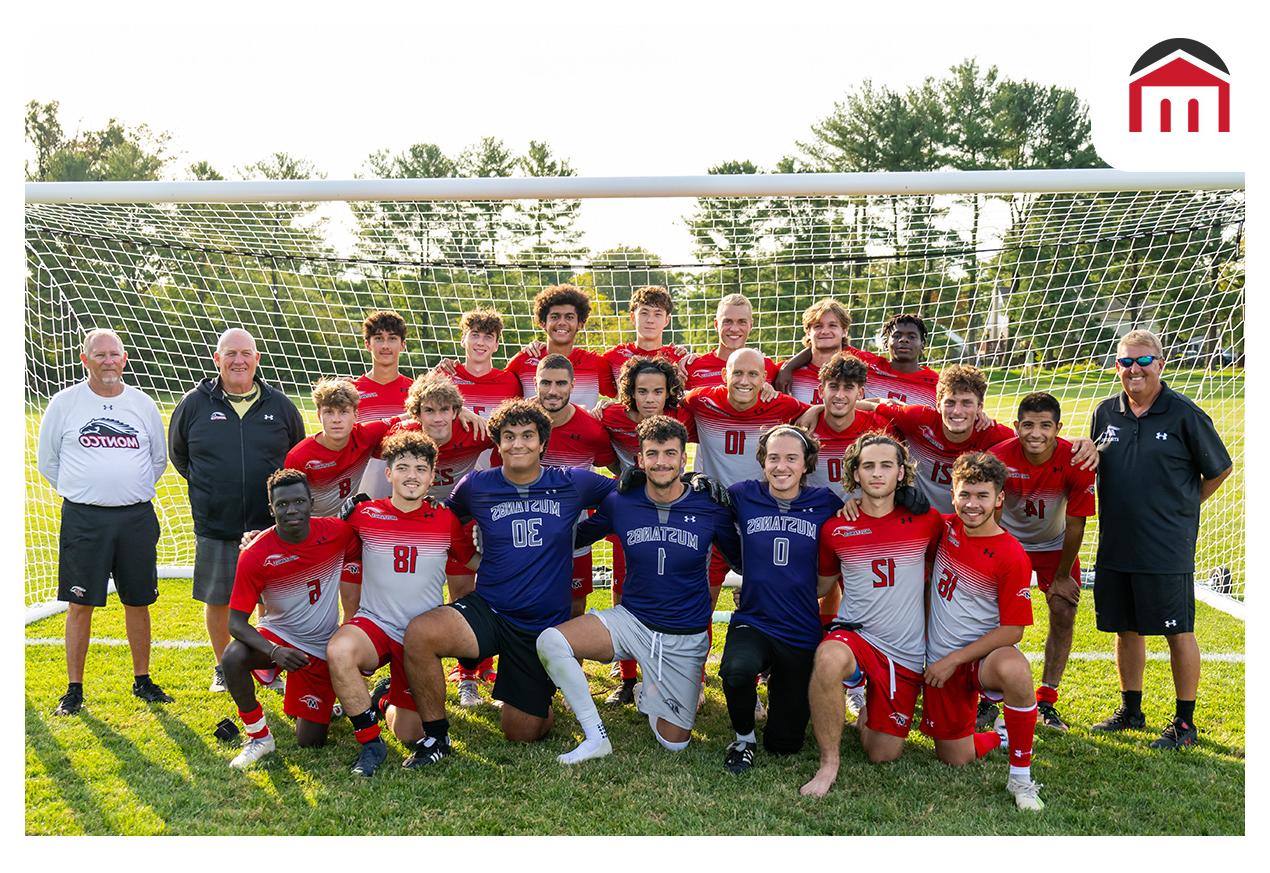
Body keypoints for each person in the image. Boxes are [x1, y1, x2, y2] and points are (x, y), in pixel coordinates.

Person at [399, 399, 616, 766]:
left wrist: (581, 534)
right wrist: (469, 558)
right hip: (491, 609)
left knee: (522, 732)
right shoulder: (477, 485)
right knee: (421, 633)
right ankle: (436, 738)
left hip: (541, 625)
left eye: (528, 436)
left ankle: (538, 689)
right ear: (497, 444)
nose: (518, 444)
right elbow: (446, 520)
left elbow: (621, 497)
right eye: (509, 436)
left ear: (543, 443)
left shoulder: (571, 482)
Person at [536, 415, 741, 763]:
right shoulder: (622, 501)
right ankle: (595, 736)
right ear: (640, 459)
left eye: (670, 453)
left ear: (683, 458)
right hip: (632, 621)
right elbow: (576, 537)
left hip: (683, 635)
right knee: (551, 642)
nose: (661, 461)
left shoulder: (709, 505)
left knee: (673, 743)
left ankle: (653, 689)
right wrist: (520, 529)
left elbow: (740, 559)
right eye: (653, 453)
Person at [1088, 330, 1232, 750]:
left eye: (1144, 361)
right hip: (1116, 543)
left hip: (1166, 546)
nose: (1134, 369)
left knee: (1177, 631)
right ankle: (1131, 709)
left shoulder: (1184, 413)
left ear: (1160, 364)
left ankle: (1184, 723)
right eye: (1126, 362)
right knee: (1125, 629)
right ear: (1117, 367)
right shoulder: (1105, 413)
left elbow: (1219, 470)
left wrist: (1183, 506)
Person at [37, 328, 173, 716]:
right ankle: (74, 688)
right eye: (100, 355)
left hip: (135, 517)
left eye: (114, 354)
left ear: (125, 358)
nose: (108, 361)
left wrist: (125, 488)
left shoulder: (142, 404)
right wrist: (87, 490)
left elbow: (157, 459)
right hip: (84, 519)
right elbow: (49, 461)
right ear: (85, 360)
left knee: (139, 600)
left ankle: (142, 679)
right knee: (80, 604)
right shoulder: (64, 404)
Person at [327, 430, 478, 776]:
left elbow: (473, 563)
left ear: (431, 475)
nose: (412, 475)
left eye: (421, 468)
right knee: (339, 651)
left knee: (410, 733)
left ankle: (383, 699)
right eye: (404, 467)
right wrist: (258, 537)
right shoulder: (364, 515)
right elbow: (320, 538)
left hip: (418, 639)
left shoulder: (445, 519)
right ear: (389, 473)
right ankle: (370, 744)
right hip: (374, 624)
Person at [801, 434, 941, 795]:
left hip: (904, 650)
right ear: (855, 474)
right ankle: (828, 762)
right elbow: (821, 586)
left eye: (886, 465)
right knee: (829, 657)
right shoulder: (836, 528)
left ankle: (868, 711)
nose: (877, 474)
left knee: (882, 753)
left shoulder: (928, 522)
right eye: (868, 466)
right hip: (856, 634)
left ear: (901, 473)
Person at [169, 327, 305, 694]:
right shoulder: (194, 404)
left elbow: (296, 457)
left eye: (246, 353)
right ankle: (222, 667)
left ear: (257, 359)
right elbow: (180, 456)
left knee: (272, 600)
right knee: (219, 599)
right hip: (217, 523)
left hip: (270, 525)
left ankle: (267, 666)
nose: (238, 360)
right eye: (230, 353)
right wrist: (212, 490)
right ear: (217, 359)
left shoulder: (279, 406)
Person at [920, 452, 1045, 812]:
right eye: (965, 495)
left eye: (982, 496)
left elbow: (1013, 630)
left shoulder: (1012, 555)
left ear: (999, 498)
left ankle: (1021, 778)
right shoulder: (943, 528)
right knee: (953, 757)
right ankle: (996, 736)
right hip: (938, 660)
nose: (972, 505)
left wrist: (953, 660)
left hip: (978, 659)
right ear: (953, 494)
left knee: (1015, 668)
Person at [719, 426, 844, 774]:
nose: (781, 466)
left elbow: (855, 530)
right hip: (755, 618)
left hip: (800, 627)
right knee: (736, 670)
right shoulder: (744, 495)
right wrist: (698, 481)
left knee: (785, 745)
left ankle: (780, 685)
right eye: (773, 458)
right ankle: (743, 738)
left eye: (791, 458)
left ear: (806, 464)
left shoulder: (826, 503)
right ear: (763, 462)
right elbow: (706, 508)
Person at [221, 469, 359, 768]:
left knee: (310, 742)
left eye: (298, 502)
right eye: (282, 505)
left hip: (321, 646)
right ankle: (258, 737)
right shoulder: (256, 554)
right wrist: (274, 652)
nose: (292, 510)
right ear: (271, 509)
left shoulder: (337, 532)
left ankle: (326, 702)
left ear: (311, 502)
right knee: (232, 657)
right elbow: (235, 623)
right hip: (278, 638)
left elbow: (369, 533)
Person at [385, 373, 497, 706]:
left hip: (460, 523)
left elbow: (509, 435)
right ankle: (406, 674)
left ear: (456, 410)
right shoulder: (403, 434)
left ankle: (469, 675)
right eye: (429, 410)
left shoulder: (474, 430)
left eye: (445, 409)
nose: (437, 418)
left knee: (467, 595)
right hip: (419, 527)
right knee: (417, 599)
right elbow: (371, 432)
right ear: (415, 414)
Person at [989, 392, 1096, 732]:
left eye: (1045, 426)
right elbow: (990, 513)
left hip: (1054, 545)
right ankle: (988, 699)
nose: (1036, 433)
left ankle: (1047, 699)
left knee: (1064, 609)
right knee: (994, 616)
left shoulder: (1076, 460)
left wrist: (1063, 575)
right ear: (1017, 426)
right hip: (1009, 543)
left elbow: (1077, 522)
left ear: (1058, 428)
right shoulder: (998, 458)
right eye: (1029, 425)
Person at [598, 356, 697, 703]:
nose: (651, 398)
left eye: (658, 391)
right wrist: (621, 472)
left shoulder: (683, 415)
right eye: (642, 391)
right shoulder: (612, 416)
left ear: (669, 392)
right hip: (630, 509)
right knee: (623, 582)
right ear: (630, 392)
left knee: (669, 581)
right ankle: (626, 675)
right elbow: (598, 438)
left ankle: (675, 666)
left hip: (674, 507)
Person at [493, 355, 618, 618]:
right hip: (522, 533)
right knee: (520, 605)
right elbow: (497, 472)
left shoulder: (591, 430)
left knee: (574, 608)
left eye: (560, 383)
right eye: (545, 383)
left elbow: (615, 470)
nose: (552, 391)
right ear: (535, 383)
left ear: (572, 385)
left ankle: (568, 661)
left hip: (572, 535)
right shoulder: (515, 424)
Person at [285, 378, 397, 518]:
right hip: (314, 525)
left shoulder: (366, 434)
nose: (336, 419)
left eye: (343, 412)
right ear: (319, 416)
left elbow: (407, 418)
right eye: (329, 412)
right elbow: (287, 504)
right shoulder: (298, 457)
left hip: (350, 520)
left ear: (356, 415)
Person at [776, 312, 939, 406]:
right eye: (897, 336)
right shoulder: (869, 365)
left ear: (923, 344)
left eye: (912, 336)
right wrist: (787, 368)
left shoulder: (936, 383)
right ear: (886, 343)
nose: (904, 340)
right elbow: (824, 346)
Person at [506, 284, 617, 409]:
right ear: (543, 323)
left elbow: (625, 398)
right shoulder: (522, 361)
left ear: (580, 324)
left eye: (569, 317)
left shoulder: (596, 363)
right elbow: (501, 401)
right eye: (555, 317)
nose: (562, 323)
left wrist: (608, 405)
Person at [354, 310, 414, 499]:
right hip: (362, 485)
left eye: (393, 338)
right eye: (379, 338)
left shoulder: (415, 392)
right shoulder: (351, 392)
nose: (386, 346)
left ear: (403, 344)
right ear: (368, 344)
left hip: (406, 485)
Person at [434, 308, 523, 419]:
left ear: (496, 345)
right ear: (463, 340)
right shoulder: (443, 377)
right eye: (475, 335)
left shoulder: (511, 382)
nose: (480, 343)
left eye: (488, 337)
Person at [682, 294, 780, 389]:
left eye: (742, 322)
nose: (734, 329)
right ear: (716, 324)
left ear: (751, 325)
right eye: (727, 321)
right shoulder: (691, 369)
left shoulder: (767, 367)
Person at [601, 285, 692, 385]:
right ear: (632, 317)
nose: (650, 320)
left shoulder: (680, 359)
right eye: (644, 313)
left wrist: (696, 356)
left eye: (657, 314)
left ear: (667, 320)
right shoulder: (612, 357)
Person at [776, 298, 854, 404]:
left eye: (832, 325)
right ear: (808, 333)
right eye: (818, 326)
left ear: (844, 331)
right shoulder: (784, 374)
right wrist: (787, 368)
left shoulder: (861, 372)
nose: (825, 331)